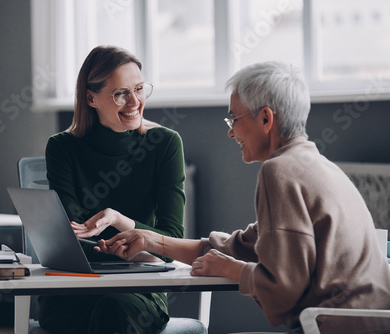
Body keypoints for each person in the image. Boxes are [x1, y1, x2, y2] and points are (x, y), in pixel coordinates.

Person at [97, 61, 390, 333]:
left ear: (265, 118)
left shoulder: (280, 171)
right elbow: (242, 246)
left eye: (233, 119)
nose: (230, 132)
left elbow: (283, 291)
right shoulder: (315, 165)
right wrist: (151, 240)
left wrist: (232, 270)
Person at [39, 45, 186, 334]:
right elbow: (70, 238)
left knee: (114, 309)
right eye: (121, 93)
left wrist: (120, 221)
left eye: (139, 89)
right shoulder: (62, 147)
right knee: (99, 309)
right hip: (75, 287)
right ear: (91, 98)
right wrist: (140, 248)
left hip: (139, 290)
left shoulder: (166, 144)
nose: (135, 102)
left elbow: (173, 243)